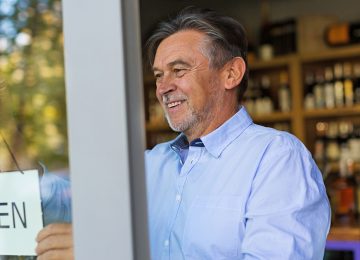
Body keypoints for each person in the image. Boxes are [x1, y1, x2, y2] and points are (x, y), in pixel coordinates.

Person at [35, 7, 331, 260]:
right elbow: (74, 198)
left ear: (231, 74)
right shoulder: (152, 163)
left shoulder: (277, 158)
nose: (163, 88)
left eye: (179, 70)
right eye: (159, 75)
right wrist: (27, 187)